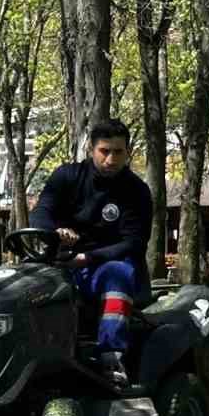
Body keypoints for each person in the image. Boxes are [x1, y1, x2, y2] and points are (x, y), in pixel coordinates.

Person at [29, 117, 152, 385]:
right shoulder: (66, 177)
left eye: (118, 152)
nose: (111, 159)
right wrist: (55, 232)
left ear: (127, 152)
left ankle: (111, 355)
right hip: (61, 264)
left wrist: (87, 258)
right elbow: (41, 211)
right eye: (104, 151)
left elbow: (133, 243)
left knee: (117, 273)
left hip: (109, 266)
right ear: (91, 149)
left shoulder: (137, 192)